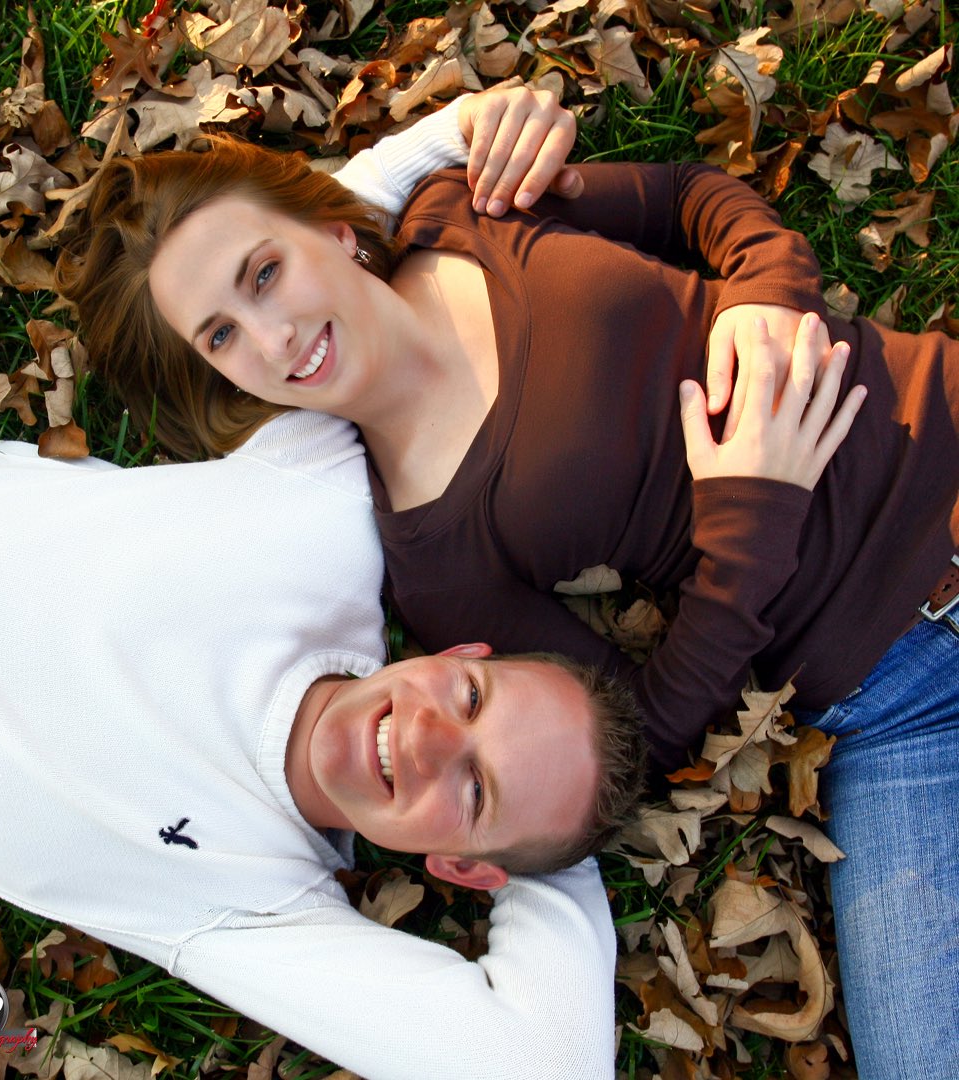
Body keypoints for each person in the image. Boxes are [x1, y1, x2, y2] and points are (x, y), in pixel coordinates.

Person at [61, 101, 959, 1080]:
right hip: (896, 705)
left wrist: (763, 303)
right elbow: (632, 739)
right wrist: (752, 531)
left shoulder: (467, 211)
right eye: (223, 335)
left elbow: (694, 200)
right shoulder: (438, 562)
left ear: (328, 227)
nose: (275, 339)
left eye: (264, 273)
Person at [0, 393, 647, 1079]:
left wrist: (556, 854)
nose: (427, 738)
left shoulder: (257, 906)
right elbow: (341, 273)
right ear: (459, 653)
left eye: (476, 789)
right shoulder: (327, 515)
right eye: (472, 699)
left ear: (460, 868)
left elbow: (551, 1064)